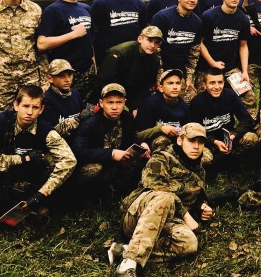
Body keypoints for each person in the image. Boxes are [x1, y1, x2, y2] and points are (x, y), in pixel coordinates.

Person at [110, 123, 212, 276]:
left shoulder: (198, 168)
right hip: (138, 215)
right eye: (191, 141)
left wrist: (202, 206)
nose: (196, 146)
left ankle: (123, 250)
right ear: (180, 140)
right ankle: (128, 264)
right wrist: (185, 214)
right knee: (165, 197)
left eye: (201, 142)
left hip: (168, 219)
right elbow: (155, 186)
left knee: (189, 243)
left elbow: (197, 193)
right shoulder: (161, 158)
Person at [0, 85, 76, 224]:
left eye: (35, 107)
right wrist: (21, 158)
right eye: (25, 106)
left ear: (41, 110)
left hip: (32, 177)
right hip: (4, 173)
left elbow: (69, 160)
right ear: (16, 105)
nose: (29, 112)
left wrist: (41, 194)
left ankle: (39, 203)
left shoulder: (45, 130)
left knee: (52, 160)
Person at [72, 84, 150, 197]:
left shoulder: (126, 117)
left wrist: (141, 144)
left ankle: (117, 191)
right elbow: (79, 151)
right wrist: (111, 154)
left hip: (117, 162)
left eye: (119, 102)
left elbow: (132, 137)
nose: (114, 107)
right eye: (110, 102)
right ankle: (87, 197)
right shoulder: (90, 123)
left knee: (144, 157)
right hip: (99, 163)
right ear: (101, 103)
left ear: (124, 102)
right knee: (94, 169)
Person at [197, 0, 256, 116]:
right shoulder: (209, 16)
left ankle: (249, 126)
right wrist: (212, 63)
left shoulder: (242, 18)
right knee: (202, 102)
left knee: (249, 98)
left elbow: (243, 46)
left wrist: (244, 71)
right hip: (207, 68)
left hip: (230, 68)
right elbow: (200, 43)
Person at [36, 0, 94, 98]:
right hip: (64, 74)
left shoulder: (86, 9)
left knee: (84, 108)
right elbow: (41, 44)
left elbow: (91, 41)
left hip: (86, 73)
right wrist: (72, 35)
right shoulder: (53, 10)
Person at [188, 69, 256, 163]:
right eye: (212, 83)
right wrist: (214, 142)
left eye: (220, 82)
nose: (217, 87)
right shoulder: (197, 102)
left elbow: (247, 120)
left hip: (229, 138)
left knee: (251, 138)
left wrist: (234, 135)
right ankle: (215, 165)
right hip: (208, 141)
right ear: (204, 85)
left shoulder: (230, 95)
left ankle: (235, 160)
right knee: (205, 158)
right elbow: (194, 131)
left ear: (224, 83)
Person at [92, 26, 162, 114]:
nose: (152, 45)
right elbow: (103, 82)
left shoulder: (155, 60)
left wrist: (135, 107)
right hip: (108, 97)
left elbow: (144, 87)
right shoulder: (119, 53)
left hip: (131, 98)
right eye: (149, 40)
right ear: (140, 39)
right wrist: (118, 105)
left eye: (156, 42)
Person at [91, 0, 147, 66]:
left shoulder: (140, 5)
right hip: (107, 62)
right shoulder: (101, 3)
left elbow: (142, 31)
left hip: (131, 61)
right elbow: (93, 33)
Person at [151, 0, 202, 96]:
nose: (192, 0)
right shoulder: (162, 17)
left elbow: (194, 54)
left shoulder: (197, 22)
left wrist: (189, 78)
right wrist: (159, 78)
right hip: (160, 71)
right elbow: (154, 50)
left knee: (191, 100)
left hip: (181, 74)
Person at [134, 69, 191, 152]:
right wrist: (161, 129)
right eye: (170, 83)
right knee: (163, 140)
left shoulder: (184, 106)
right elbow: (138, 135)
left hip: (178, 144)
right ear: (161, 88)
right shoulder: (149, 103)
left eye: (178, 83)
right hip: (154, 146)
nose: (175, 87)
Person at [41, 59, 85, 140]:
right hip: (60, 142)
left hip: (78, 139)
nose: (67, 80)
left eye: (70, 75)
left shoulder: (75, 93)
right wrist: (78, 118)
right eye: (61, 76)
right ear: (50, 78)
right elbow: (51, 132)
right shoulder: (46, 100)